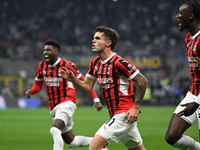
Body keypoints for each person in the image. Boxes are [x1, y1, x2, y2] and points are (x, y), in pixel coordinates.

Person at [61, 26, 148, 150]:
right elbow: (86, 87)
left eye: (97, 38)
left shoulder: (119, 62)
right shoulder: (95, 63)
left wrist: (135, 107)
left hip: (123, 114)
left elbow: (143, 81)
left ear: (108, 43)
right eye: (93, 38)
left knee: (94, 148)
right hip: (119, 116)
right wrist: (73, 79)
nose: (93, 41)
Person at [25, 39, 103, 150]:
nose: (45, 52)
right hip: (54, 107)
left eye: (48, 50)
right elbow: (38, 85)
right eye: (44, 50)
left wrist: (96, 100)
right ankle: (100, 144)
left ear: (56, 51)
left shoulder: (66, 65)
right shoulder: (41, 66)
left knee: (55, 129)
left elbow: (85, 83)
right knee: (71, 141)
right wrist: (31, 91)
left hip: (67, 103)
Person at [165, 0, 200, 149]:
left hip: (198, 98)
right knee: (171, 136)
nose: (178, 16)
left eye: (181, 13)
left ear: (191, 16)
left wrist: (197, 102)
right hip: (194, 92)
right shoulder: (188, 39)